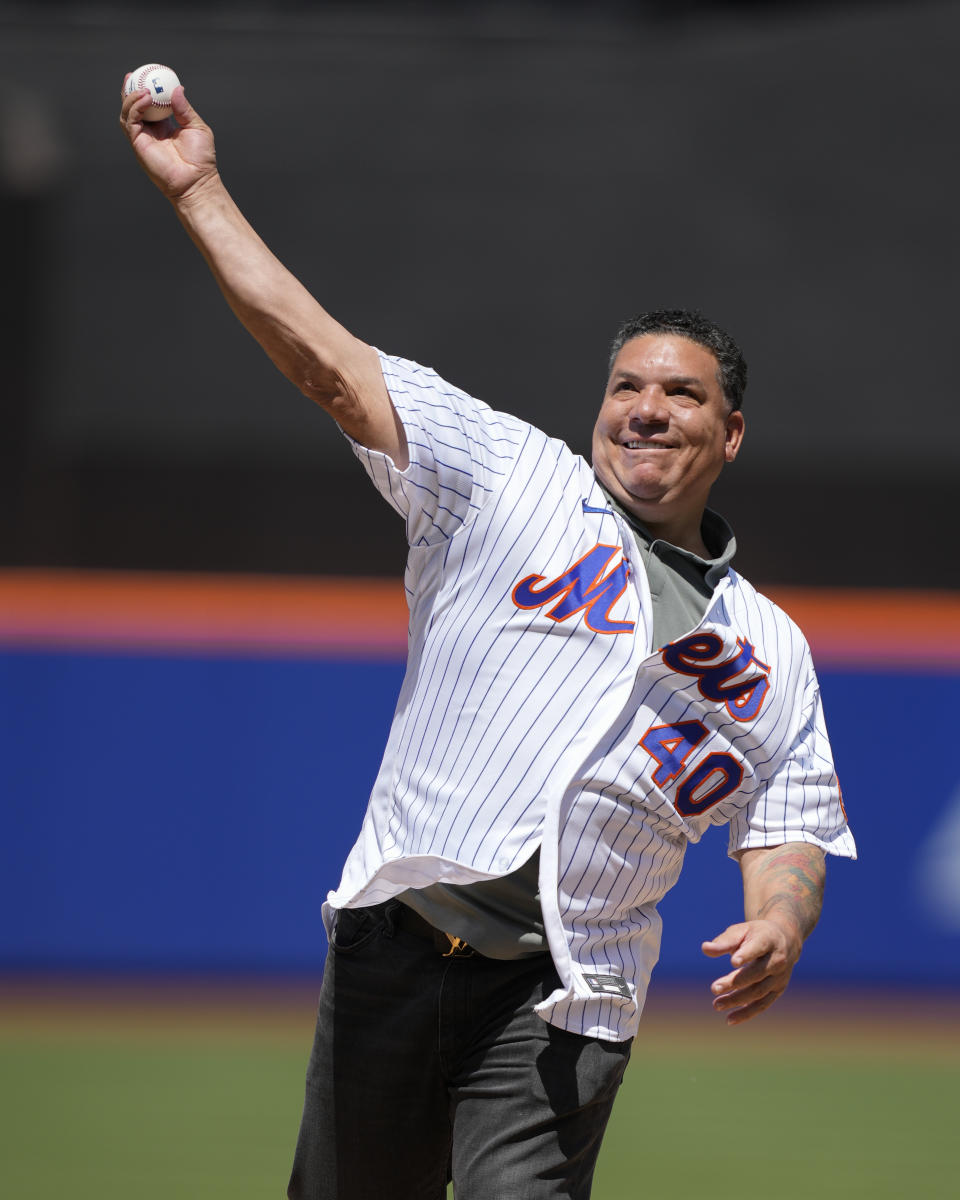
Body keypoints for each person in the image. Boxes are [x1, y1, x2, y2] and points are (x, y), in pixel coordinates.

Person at [120, 80, 855, 1200]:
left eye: (682, 393)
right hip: (401, 944)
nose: (646, 408)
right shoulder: (511, 482)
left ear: (731, 430)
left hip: (569, 992)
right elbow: (329, 362)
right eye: (626, 386)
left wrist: (777, 924)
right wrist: (199, 190)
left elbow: (791, 823)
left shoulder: (773, 649)